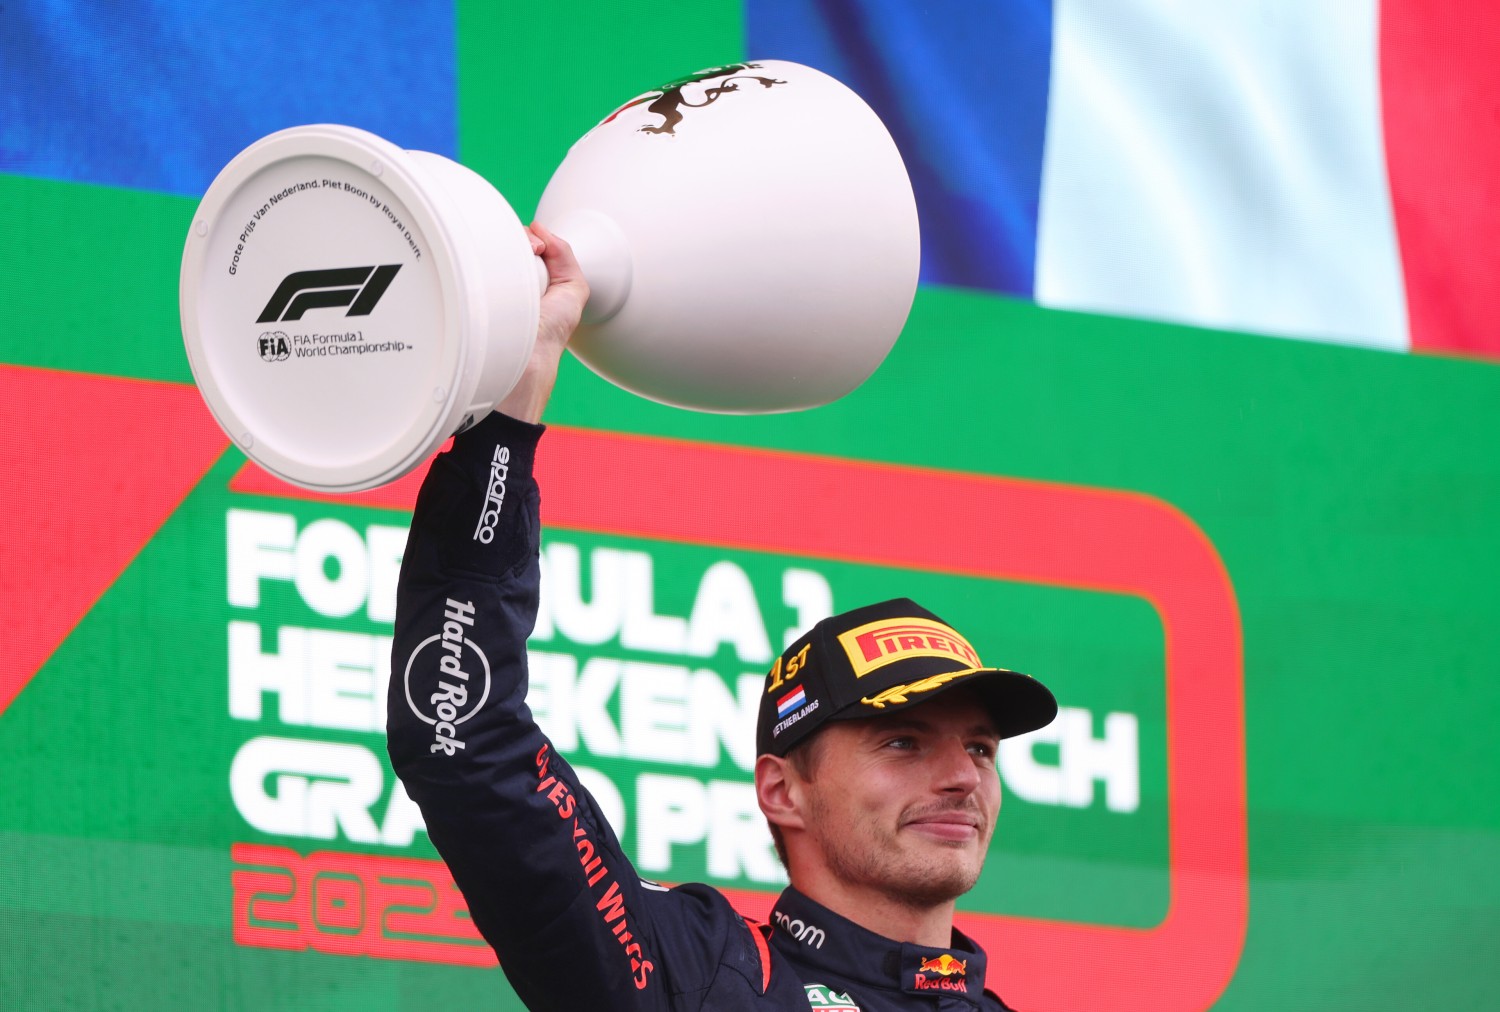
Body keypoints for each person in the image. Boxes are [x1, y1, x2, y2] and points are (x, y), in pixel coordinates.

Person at [387, 225, 1059, 1011]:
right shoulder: (703, 976)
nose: (959, 779)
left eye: (980, 748)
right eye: (902, 742)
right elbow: (460, 736)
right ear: (782, 791)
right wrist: (510, 408)